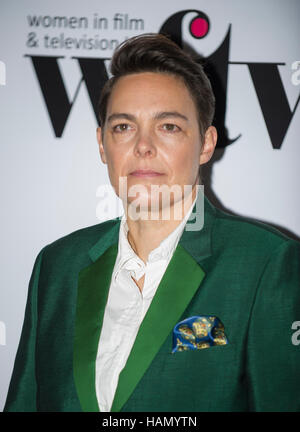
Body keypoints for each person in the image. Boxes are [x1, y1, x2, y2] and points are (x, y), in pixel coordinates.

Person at [4, 33, 300, 412]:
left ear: (207, 144)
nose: (143, 146)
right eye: (123, 127)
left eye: (168, 127)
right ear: (101, 144)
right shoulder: (57, 265)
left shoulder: (266, 263)